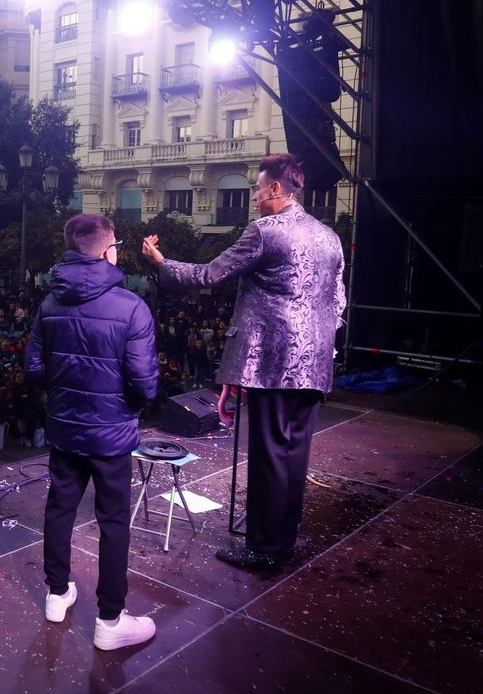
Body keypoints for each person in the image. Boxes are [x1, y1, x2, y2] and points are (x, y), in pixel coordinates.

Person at [142, 152, 345, 575]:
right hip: (315, 364)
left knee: (270, 455)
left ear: (275, 189)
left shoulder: (266, 232)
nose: (253, 197)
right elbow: (339, 301)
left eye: (256, 188)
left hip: (274, 363)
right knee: (294, 455)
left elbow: (210, 275)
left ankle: (265, 549)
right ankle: (283, 539)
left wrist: (162, 264)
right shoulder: (329, 236)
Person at [25, 213, 159, 651]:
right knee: (114, 521)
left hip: (65, 428)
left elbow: (34, 369)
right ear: (107, 250)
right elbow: (144, 383)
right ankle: (110, 620)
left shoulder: (49, 304)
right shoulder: (132, 307)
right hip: (111, 434)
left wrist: (63, 399)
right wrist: (126, 410)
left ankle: (56, 594)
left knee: (59, 510)